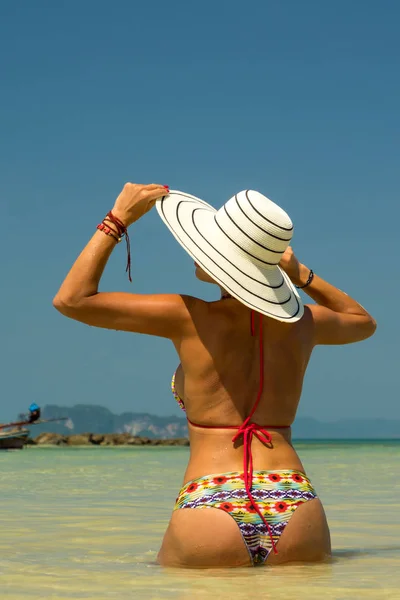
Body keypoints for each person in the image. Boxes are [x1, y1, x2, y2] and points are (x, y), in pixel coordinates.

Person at [53, 183, 376, 568]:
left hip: (210, 502)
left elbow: (72, 299)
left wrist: (117, 219)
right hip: (293, 498)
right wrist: (298, 273)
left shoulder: (188, 315)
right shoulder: (304, 323)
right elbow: (363, 322)